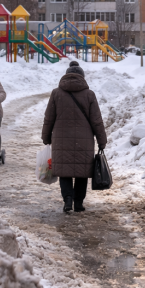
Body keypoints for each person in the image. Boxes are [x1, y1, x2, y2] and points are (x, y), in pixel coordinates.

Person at [41, 62, 107, 213]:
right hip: (84, 141)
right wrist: (102, 141)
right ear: (82, 78)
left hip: (61, 139)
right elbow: (96, 120)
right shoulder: (89, 94)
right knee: (81, 172)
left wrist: (46, 137)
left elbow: (48, 118)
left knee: (65, 171)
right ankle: (78, 203)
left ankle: (68, 200)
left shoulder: (56, 93)